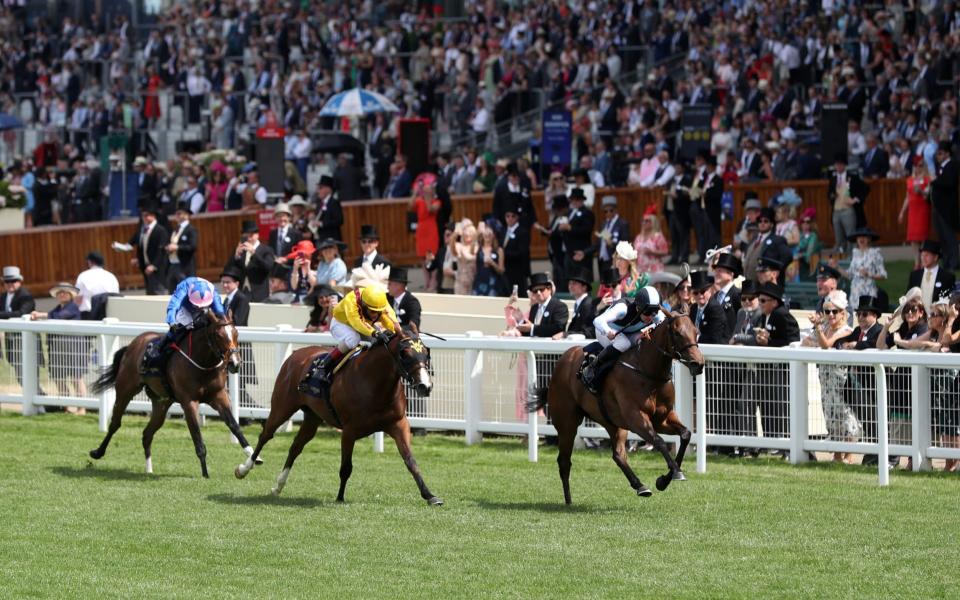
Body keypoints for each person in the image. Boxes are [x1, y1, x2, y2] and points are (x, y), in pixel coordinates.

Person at [299, 269, 399, 391]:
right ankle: (323, 366)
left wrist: (398, 331)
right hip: (341, 323)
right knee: (353, 339)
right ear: (364, 303)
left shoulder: (379, 300)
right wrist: (375, 332)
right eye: (372, 311)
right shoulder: (351, 300)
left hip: (362, 325)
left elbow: (389, 317)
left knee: (380, 341)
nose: (375, 315)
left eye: (377, 312)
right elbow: (357, 323)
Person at [802, 289, 858, 463]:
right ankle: (837, 455)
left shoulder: (847, 330)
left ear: (843, 313)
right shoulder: (825, 328)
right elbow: (806, 342)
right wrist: (819, 331)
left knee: (846, 414)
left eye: (835, 311)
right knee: (830, 413)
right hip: (826, 378)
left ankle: (849, 455)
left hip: (842, 379)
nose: (831, 315)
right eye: (827, 311)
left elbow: (826, 345)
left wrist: (818, 329)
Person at [581, 285, 663, 394]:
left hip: (628, 333)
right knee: (624, 343)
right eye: (648, 312)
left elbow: (663, 321)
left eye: (654, 312)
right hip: (607, 330)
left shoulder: (654, 315)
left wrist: (649, 329)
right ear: (638, 308)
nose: (651, 317)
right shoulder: (623, 309)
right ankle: (593, 367)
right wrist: (607, 331)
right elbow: (597, 321)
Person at [143, 277, 226, 377]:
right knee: (180, 329)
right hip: (186, 308)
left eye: (202, 305)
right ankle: (160, 348)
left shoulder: (213, 291)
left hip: (207, 308)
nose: (199, 308)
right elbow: (173, 307)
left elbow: (220, 312)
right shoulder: (184, 288)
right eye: (197, 305)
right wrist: (172, 322)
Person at [754, 282, 800, 444]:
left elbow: (793, 340)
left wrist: (769, 343)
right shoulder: (763, 316)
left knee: (778, 406)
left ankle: (781, 441)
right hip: (766, 369)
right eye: (759, 300)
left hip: (779, 370)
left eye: (763, 301)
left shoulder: (781, 314)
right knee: (767, 406)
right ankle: (769, 440)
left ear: (774, 301)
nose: (760, 304)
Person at [31, 283, 87, 403]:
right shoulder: (58, 308)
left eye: (65, 292)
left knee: (76, 378)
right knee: (58, 377)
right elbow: (53, 314)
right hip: (58, 348)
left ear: (70, 294)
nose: (61, 294)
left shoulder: (73, 307)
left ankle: (81, 407)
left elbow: (59, 317)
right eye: (59, 292)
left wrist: (40, 315)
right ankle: (66, 405)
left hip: (74, 348)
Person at [220, 266, 255, 404]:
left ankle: (245, 410)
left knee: (240, 379)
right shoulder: (227, 300)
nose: (225, 285)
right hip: (229, 343)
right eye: (223, 282)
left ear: (237, 283)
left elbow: (239, 321)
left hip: (239, 343)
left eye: (228, 282)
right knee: (232, 378)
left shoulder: (242, 298)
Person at [1, 266, 37, 387]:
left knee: (27, 369)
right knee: (17, 368)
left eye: (13, 281)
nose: (10, 284)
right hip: (10, 338)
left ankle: (41, 398)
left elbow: (22, 313)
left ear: (20, 282)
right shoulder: (3, 297)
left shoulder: (26, 296)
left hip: (24, 338)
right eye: (7, 281)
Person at [827, 153, 869, 254]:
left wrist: (856, 199)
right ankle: (841, 257)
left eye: (840, 164)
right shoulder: (833, 179)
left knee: (851, 236)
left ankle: (852, 256)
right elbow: (829, 194)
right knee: (838, 237)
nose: (838, 167)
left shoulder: (852, 177)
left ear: (844, 165)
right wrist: (832, 196)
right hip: (836, 210)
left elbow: (865, 188)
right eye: (837, 165)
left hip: (848, 210)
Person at [836, 227, 886, 310]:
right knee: (854, 317)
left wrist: (869, 274)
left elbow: (883, 275)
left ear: (869, 239)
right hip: (855, 293)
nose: (861, 239)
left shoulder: (875, 254)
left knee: (866, 315)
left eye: (864, 237)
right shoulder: (855, 253)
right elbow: (850, 275)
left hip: (868, 291)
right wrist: (837, 267)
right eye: (859, 237)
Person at [226, 220, 276, 302]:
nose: (249, 238)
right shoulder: (240, 250)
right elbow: (228, 269)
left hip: (259, 293)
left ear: (257, 235)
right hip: (242, 291)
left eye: (251, 235)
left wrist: (253, 253)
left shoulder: (266, 249)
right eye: (246, 236)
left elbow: (268, 267)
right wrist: (236, 256)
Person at [898, 157, 933, 269]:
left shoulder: (928, 179)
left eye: (920, 165)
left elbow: (928, 195)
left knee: (922, 237)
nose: (918, 168)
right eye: (916, 165)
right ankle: (916, 262)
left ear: (924, 166)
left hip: (923, 209)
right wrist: (902, 212)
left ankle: (924, 262)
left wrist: (921, 191)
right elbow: (907, 197)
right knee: (913, 238)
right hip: (913, 211)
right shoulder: (910, 180)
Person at [930, 142, 959, 270]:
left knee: (949, 237)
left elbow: (949, 182)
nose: (938, 156)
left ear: (947, 154)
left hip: (947, 209)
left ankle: (954, 263)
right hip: (938, 208)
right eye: (937, 153)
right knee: (942, 237)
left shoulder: (952, 166)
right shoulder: (940, 168)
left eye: (941, 153)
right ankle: (946, 262)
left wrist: (934, 181)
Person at [743, 207, 792, 281]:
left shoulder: (777, 240)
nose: (762, 223)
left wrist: (776, 271)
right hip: (748, 283)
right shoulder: (753, 239)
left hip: (766, 285)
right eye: (760, 221)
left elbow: (788, 256)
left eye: (766, 221)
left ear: (771, 224)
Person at [129, 205, 169, 295]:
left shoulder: (160, 230)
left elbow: (161, 250)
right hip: (145, 266)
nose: (144, 218)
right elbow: (141, 247)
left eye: (146, 215)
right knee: (150, 292)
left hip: (157, 267)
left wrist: (154, 265)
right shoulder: (142, 230)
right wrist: (138, 259)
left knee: (159, 292)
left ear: (153, 216)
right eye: (143, 216)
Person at [907, 240, 956, 313]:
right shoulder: (915, 275)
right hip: (917, 317)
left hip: (937, 318)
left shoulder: (947, 277)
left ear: (935, 257)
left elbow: (950, 299)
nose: (923, 258)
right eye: (922, 255)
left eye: (927, 255)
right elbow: (908, 296)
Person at [559, 187, 595, 282]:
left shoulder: (587, 213)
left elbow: (586, 230)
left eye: (577, 199)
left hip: (581, 250)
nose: (575, 202)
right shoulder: (569, 213)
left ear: (582, 200)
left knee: (582, 278)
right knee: (570, 278)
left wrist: (570, 228)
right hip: (569, 251)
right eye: (573, 199)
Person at [411, 180, 441, 289]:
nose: (426, 192)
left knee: (431, 255)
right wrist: (415, 193)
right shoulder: (419, 201)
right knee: (422, 257)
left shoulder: (437, 201)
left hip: (431, 229)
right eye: (425, 191)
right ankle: (427, 281)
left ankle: (433, 280)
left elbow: (430, 209)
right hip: (421, 229)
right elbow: (410, 206)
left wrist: (428, 197)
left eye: (428, 190)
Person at [75, 251, 120, 319]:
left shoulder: (83, 276)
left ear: (90, 262)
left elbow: (78, 299)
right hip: (110, 313)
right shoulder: (111, 276)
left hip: (90, 315)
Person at [164, 202, 198, 291]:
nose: (176, 215)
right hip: (173, 263)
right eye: (176, 213)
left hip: (184, 266)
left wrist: (177, 247)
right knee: (172, 290)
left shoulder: (191, 230)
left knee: (185, 291)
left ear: (186, 215)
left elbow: (192, 246)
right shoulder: (175, 229)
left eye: (179, 213)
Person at [689, 270, 728, 344]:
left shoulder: (715, 309)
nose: (700, 296)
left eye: (703, 291)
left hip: (716, 350)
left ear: (710, 290)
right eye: (696, 293)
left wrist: (694, 337)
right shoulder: (693, 308)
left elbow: (715, 338)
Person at [595, 195, 630, 277]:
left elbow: (625, 243)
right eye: (605, 211)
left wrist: (613, 244)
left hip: (615, 260)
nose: (608, 213)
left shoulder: (622, 224)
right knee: (604, 285)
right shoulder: (604, 224)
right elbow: (599, 243)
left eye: (611, 210)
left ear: (616, 210)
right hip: (603, 260)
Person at [633, 205, 669, 275]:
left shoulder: (658, 236)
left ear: (653, 222)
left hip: (654, 270)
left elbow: (665, 252)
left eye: (647, 221)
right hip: (640, 270)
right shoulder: (638, 237)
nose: (644, 223)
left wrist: (652, 252)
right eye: (642, 221)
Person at [474, 221, 506, 297]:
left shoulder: (499, 250)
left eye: (490, 234)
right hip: (479, 282)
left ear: (493, 235)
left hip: (493, 284)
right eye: (486, 233)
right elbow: (471, 249)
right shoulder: (478, 248)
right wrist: (477, 233)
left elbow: (501, 270)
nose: (487, 235)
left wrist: (492, 263)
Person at [565, 267, 596, 339]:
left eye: (574, 283)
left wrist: (565, 334)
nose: (570, 286)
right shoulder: (579, 304)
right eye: (570, 283)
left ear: (584, 287)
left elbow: (584, 329)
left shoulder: (588, 304)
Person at [311, 175, 343, 241]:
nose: (318, 191)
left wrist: (321, 223)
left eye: (320, 188)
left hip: (332, 238)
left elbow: (339, 220)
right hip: (321, 238)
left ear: (328, 189)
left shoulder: (334, 202)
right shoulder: (319, 203)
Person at [794, 208, 822, 281]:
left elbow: (810, 252)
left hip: (810, 265)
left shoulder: (813, 235)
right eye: (803, 222)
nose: (805, 224)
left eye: (808, 222)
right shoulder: (799, 235)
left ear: (811, 223)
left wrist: (800, 255)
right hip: (798, 265)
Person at [453, 219, 478, 295]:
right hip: (460, 282)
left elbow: (472, 253)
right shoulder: (458, 246)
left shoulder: (476, 247)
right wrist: (455, 234)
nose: (467, 234)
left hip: (474, 282)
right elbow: (453, 248)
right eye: (466, 232)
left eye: (470, 232)